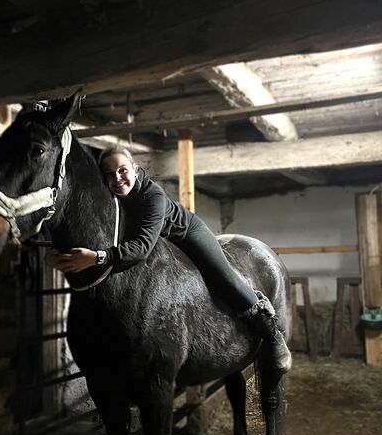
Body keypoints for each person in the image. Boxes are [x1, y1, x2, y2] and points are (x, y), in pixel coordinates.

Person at [46, 146, 292, 373]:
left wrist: (98, 258)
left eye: (122, 170)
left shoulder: (154, 196)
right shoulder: (113, 198)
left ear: (135, 168)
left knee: (223, 277)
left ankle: (270, 334)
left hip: (186, 234)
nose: (117, 178)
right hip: (159, 240)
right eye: (110, 175)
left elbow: (141, 247)